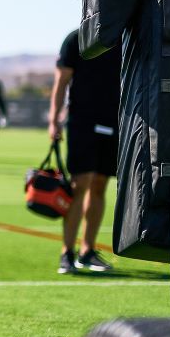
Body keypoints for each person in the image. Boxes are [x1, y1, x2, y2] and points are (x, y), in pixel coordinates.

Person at [48, 29, 119, 274]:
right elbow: (61, 80)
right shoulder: (76, 39)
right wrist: (54, 119)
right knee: (80, 184)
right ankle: (66, 252)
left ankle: (87, 251)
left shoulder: (122, 38)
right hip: (82, 121)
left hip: (114, 121)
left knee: (100, 184)